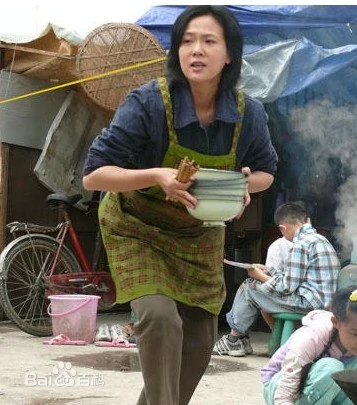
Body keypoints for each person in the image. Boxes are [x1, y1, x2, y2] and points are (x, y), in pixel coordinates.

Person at [82, 5, 277, 405]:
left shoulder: (248, 113)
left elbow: (266, 173)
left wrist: (243, 184)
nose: (196, 50)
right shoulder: (148, 103)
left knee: (200, 341)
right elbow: (94, 175)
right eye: (187, 41)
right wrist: (157, 175)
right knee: (159, 318)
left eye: (208, 41)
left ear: (229, 54)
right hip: (137, 227)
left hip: (198, 233)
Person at [213, 202, 340, 356]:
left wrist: (260, 276)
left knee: (248, 286)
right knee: (254, 285)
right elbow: (295, 279)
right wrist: (268, 271)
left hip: (308, 303)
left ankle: (234, 340)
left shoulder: (300, 244)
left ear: (283, 228)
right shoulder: (321, 240)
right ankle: (240, 339)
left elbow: (287, 287)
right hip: (324, 303)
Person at [261, 285, 357, 404]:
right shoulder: (311, 337)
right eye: (355, 334)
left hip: (323, 392)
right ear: (335, 322)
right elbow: (283, 395)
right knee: (331, 368)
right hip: (281, 388)